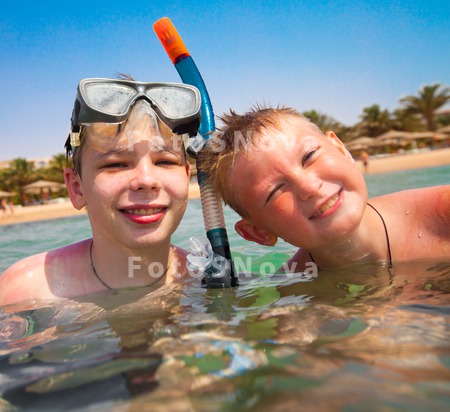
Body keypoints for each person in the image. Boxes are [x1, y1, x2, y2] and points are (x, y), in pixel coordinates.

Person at [0, 77, 202, 306]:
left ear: (186, 177)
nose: (146, 180)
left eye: (165, 161)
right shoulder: (26, 291)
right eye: (115, 164)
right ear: (77, 188)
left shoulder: (207, 278)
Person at [199, 106, 450, 272]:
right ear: (258, 233)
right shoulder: (292, 288)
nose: (308, 187)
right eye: (275, 191)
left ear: (341, 150)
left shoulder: (443, 217)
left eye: (309, 156)